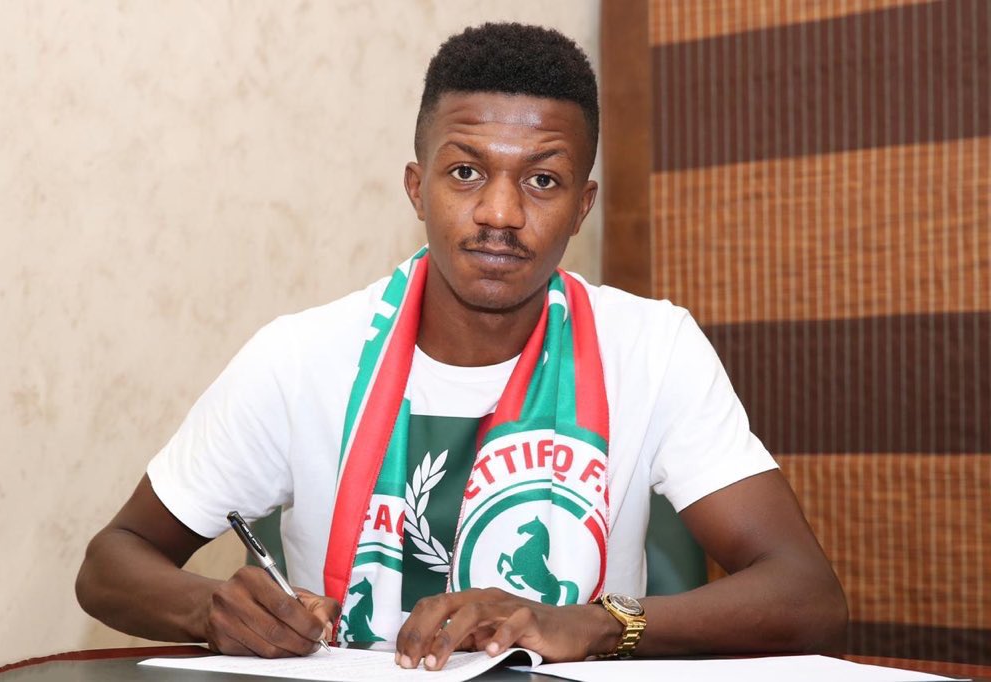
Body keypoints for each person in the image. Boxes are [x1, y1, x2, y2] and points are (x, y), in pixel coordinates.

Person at [76, 23, 847, 671]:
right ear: (418, 188)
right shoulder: (299, 357)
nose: (500, 213)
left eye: (542, 181)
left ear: (583, 206)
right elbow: (113, 561)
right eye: (467, 171)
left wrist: (597, 621)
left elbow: (806, 595)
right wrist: (210, 606)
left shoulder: (652, 348)